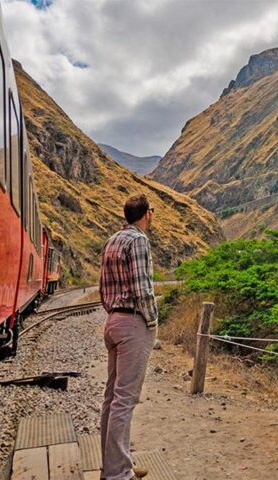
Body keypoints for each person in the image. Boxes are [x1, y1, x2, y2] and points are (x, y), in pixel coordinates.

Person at [99, 194, 157, 480]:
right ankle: (119, 473)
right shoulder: (139, 241)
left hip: (112, 321)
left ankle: (114, 464)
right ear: (146, 214)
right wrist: (152, 320)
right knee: (125, 399)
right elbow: (142, 287)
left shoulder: (112, 240)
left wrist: (113, 312)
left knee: (112, 397)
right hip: (133, 322)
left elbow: (102, 287)